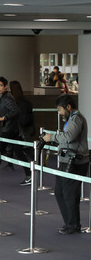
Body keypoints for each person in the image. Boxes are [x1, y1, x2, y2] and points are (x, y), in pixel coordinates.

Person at [43, 95, 88, 234]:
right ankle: (71, 223)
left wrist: (52, 137)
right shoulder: (71, 118)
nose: (60, 113)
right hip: (67, 160)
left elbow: (68, 137)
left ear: (68, 107)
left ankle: (72, 225)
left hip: (74, 162)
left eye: (60, 109)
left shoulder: (76, 119)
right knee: (61, 192)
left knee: (68, 194)